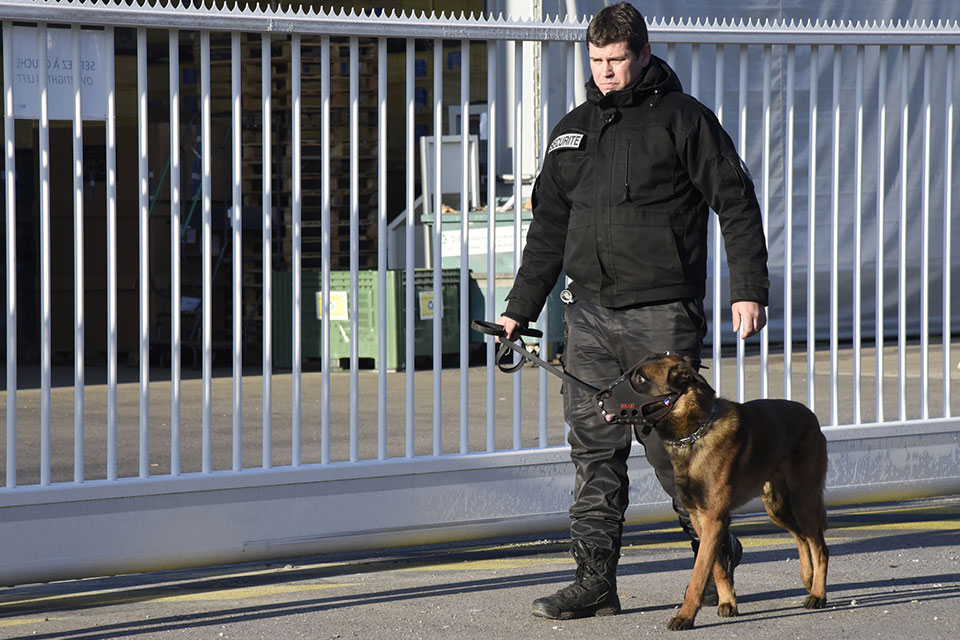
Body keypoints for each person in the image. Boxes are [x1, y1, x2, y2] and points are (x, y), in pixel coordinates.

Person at [498, 2, 769, 620]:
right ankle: (595, 583)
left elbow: (736, 201)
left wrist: (747, 288)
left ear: (643, 54)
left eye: (617, 60)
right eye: (596, 61)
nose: (606, 72)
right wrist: (519, 310)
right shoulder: (572, 129)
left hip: (660, 318)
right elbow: (548, 230)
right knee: (593, 450)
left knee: (675, 453)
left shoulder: (685, 120)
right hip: (587, 316)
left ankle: (716, 555)